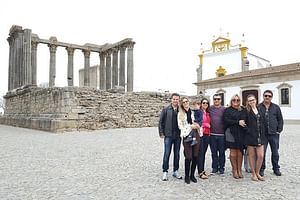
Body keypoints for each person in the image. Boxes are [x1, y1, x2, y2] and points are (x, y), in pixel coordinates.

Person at [258, 90, 284, 176]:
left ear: (271, 97)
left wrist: (278, 130)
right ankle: (262, 169)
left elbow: (280, 119)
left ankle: (276, 168)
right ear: (263, 96)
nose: (267, 97)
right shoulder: (258, 107)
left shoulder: (276, 107)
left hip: (274, 134)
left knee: (275, 152)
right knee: (262, 153)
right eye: (266, 96)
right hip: (263, 134)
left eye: (269, 96)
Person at [158, 93, 182, 181]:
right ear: (171, 100)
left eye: (177, 99)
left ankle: (175, 170)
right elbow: (161, 121)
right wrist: (161, 132)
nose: (175, 101)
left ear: (179, 100)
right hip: (168, 135)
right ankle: (165, 171)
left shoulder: (181, 110)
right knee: (167, 154)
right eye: (174, 99)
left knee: (177, 154)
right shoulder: (166, 109)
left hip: (178, 135)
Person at [177, 97, 201, 184]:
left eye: (187, 101)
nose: (186, 103)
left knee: (195, 155)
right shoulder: (180, 114)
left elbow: (198, 121)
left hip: (195, 134)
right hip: (187, 135)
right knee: (189, 156)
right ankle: (187, 176)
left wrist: (197, 126)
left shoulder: (193, 112)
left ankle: (192, 175)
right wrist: (191, 126)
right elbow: (180, 126)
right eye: (184, 102)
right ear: (182, 104)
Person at [244, 94, 267, 181]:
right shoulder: (246, 111)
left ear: (256, 100)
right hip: (250, 136)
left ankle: (258, 172)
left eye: (253, 100)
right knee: (252, 156)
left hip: (260, 136)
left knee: (261, 156)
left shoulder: (260, 109)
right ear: (248, 102)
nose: (252, 102)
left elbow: (264, 121)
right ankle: (253, 173)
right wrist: (248, 130)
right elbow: (243, 123)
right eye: (250, 101)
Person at [223, 94, 246, 179]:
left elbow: (245, 118)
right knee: (233, 152)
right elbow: (226, 120)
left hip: (241, 132)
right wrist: (237, 122)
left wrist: (241, 121)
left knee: (240, 152)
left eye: (238, 100)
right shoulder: (227, 110)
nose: (236, 102)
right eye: (234, 100)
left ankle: (239, 170)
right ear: (231, 101)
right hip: (230, 132)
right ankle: (234, 170)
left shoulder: (243, 109)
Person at [209, 94, 226, 174]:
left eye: (218, 99)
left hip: (222, 135)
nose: (216, 100)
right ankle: (215, 167)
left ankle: (222, 167)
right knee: (214, 152)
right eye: (215, 99)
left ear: (221, 100)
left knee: (222, 152)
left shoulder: (224, 109)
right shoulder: (210, 109)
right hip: (212, 134)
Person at [197, 98, 211, 179]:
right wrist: (206, 125)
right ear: (201, 104)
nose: (205, 104)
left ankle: (202, 170)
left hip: (207, 135)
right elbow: (198, 122)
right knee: (201, 153)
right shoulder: (199, 112)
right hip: (201, 135)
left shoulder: (208, 113)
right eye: (203, 103)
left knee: (203, 153)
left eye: (206, 103)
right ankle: (200, 172)